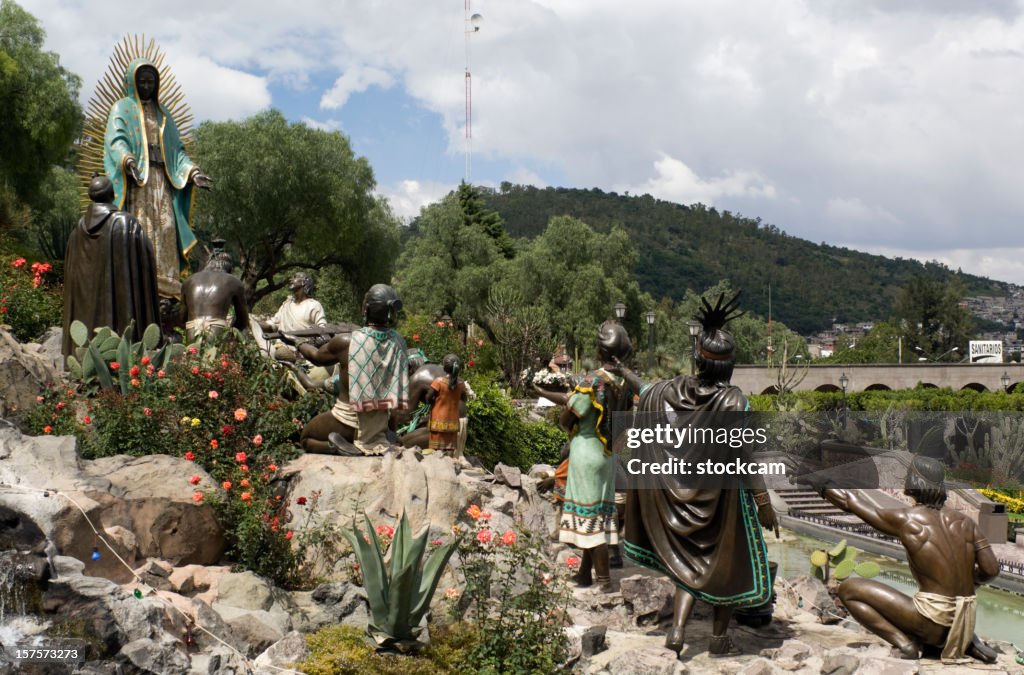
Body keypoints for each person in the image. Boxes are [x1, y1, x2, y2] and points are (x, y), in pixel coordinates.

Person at [619, 292, 777, 656]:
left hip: (681, 497)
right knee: (726, 565)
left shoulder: (671, 391)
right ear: (730, 366)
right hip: (723, 501)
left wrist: (622, 369)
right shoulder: (735, 401)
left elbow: (643, 389)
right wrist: (763, 501)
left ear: (697, 359)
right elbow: (746, 457)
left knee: (686, 562)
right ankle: (719, 638)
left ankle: (677, 631)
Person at [814, 456, 999, 662]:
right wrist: (965, 584)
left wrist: (820, 483)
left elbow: (851, 502)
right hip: (964, 620)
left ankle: (905, 644)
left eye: (908, 475)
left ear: (916, 481)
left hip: (932, 621)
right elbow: (991, 570)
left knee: (849, 589)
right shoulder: (966, 523)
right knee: (946, 603)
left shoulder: (907, 519)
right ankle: (966, 641)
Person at [104, 58, 211, 299]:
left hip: (161, 181)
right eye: (141, 81)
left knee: (166, 227)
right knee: (141, 228)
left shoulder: (164, 115)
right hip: (138, 182)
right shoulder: (122, 108)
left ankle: (167, 286)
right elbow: (116, 140)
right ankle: (139, 281)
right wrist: (127, 159)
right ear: (131, 82)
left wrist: (193, 172)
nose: (146, 86)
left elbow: (177, 153)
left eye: (150, 81)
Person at [545, 321, 636, 593]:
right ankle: (585, 573)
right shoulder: (624, 382)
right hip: (609, 455)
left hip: (587, 452)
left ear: (600, 350)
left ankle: (605, 581)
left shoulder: (592, 381)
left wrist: (568, 420)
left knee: (590, 518)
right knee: (598, 512)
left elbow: (567, 417)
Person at [294, 284, 408, 455]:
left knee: (306, 438)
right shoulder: (399, 342)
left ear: (366, 309)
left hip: (348, 421)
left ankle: (341, 448)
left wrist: (298, 342)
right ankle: (359, 443)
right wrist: (390, 430)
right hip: (380, 425)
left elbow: (317, 357)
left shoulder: (348, 342)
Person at [62, 175, 161, 358]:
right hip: (120, 316)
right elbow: (144, 262)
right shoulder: (125, 223)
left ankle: (83, 357)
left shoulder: (77, 231)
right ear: (113, 195)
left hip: (85, 320)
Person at [179, 252, 249, 342]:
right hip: (216, 333)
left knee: (192, 356)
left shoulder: (188, 281)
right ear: (229, 267)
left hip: (192, 333)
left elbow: (182, 318)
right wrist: (231, 332)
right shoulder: (234, 282)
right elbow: (243, 321)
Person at [259, 272, 327, 362]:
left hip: (302, 352)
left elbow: (323, 330)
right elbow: (273, 324)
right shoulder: (287, 304)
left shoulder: (314, 305)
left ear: (304, 282)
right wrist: (251, 322)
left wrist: (308, 343)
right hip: (281, 349)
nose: (291, 279)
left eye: (295, 277)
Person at [426, 354, 468, 455]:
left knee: (435, 452)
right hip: (452, 423)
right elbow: (464, 399)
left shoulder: (438, 382)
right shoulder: (461, 384)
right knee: (449, 452)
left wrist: (432, 402)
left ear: (445, 367)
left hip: (438, 420)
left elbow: (428, 397)